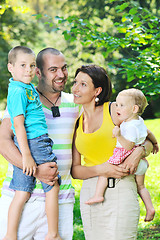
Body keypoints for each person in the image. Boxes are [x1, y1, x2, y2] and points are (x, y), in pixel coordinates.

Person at [0, 47, 81, 240]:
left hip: (60, 202)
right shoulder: (23, 98)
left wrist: (143, 146)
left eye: (64, 68)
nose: (61, 74)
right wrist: (36, 170)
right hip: (21, 197)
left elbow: (117, 118)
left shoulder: (76, 105)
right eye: (53, 69)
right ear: (38, 72)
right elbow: (3, 142)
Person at [71, 65, 154, 240]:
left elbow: (143, 135)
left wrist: (139, 151)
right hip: (90, 194)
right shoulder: (76, 122)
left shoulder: (115, 110)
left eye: (83, 84)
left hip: (120, 189)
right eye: (75, 82)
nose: (75, 88)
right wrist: (103, 169)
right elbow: (75, 171)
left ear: (97, 91)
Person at [85, 88, 158, 222]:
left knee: (104, 172)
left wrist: (118, 135)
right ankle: (150, 208)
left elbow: (128, 146)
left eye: (121, 105)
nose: (117, 107)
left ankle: (98, 194)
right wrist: (155, 143)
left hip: (125, 157)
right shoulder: (139, 121)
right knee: (141, 186)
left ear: (134, 109)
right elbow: (148, 133)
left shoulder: (129, 126)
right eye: (117, 104)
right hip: (141, 163)